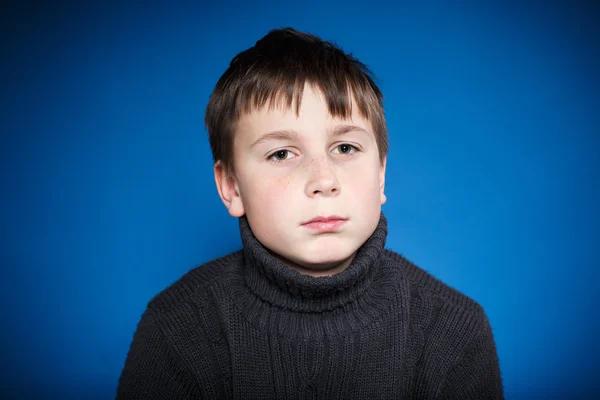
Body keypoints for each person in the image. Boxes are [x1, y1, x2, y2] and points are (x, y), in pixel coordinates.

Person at [116, 27, 504, 399]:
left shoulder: (454, 330)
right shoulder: (178, 327)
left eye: (345, 148)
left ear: (381, 175)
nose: (324, 180)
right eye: (282, 154)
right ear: (231, 187)